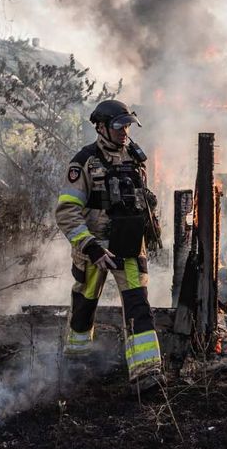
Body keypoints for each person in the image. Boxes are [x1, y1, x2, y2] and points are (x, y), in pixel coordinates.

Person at [55, 99, 163, 392]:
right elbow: (66, 211)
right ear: (101, 127)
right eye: (118, 126)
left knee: (138, 304)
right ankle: (76, 361)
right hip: (95, 249)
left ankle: (147, 373)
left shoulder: (135, 157)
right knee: (85, 304)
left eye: (127, 125)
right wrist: (90, 247)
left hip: (129, 247)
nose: (124, 131)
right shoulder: (84, 162)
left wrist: (150, 224)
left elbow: (140, 199)